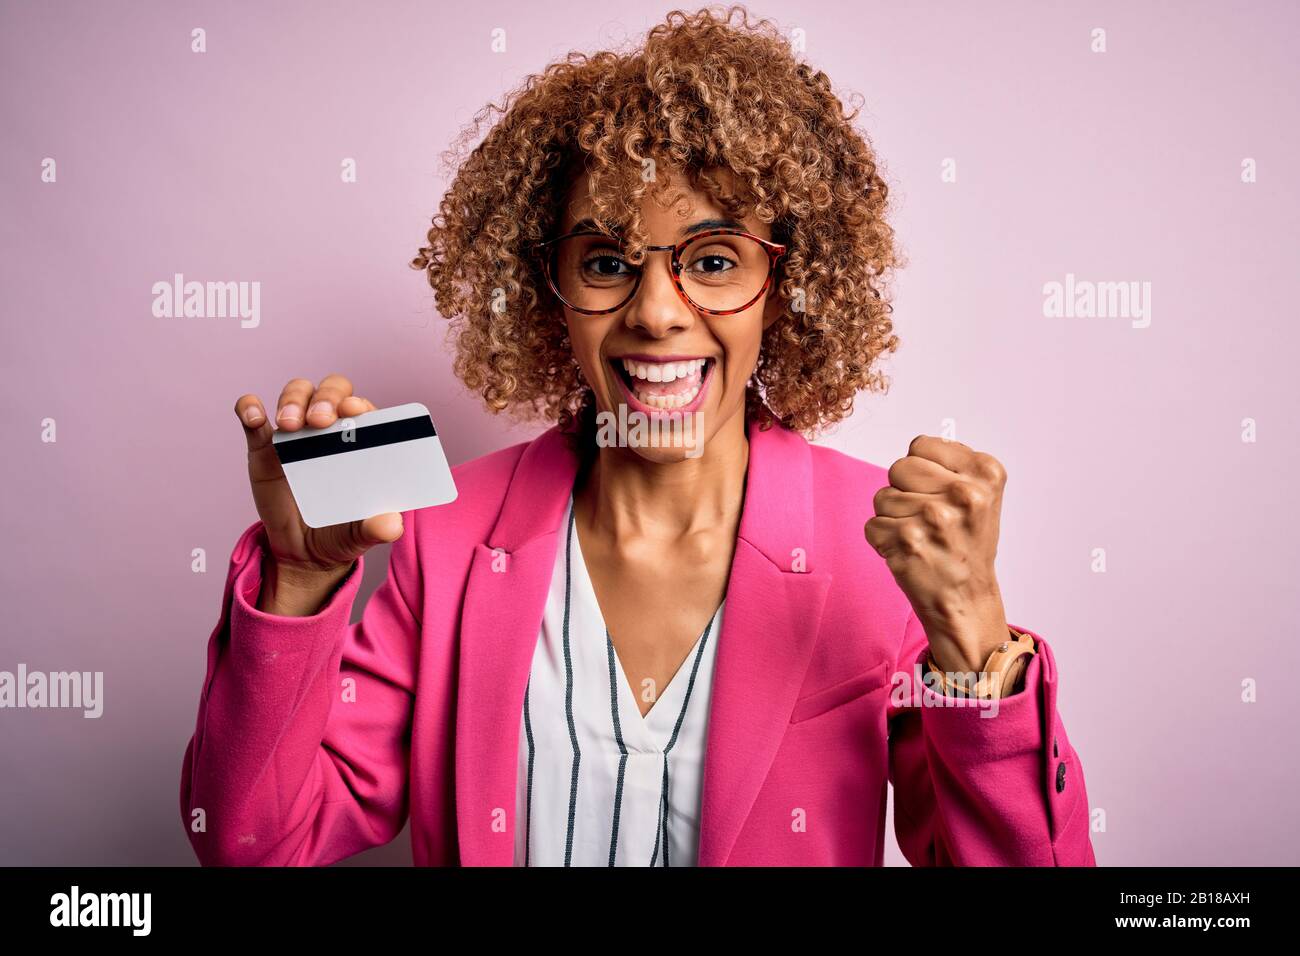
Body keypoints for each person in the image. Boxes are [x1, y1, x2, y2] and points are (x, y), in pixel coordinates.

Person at [180, 6, 1095, 867]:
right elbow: (255, 842)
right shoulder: (446, 540)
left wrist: (973, 633)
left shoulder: (878, 544)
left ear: (787, 285)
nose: (657, 313)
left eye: (713, 260)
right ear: (551, 287)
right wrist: (299, 584)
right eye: (609, 261)